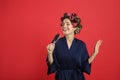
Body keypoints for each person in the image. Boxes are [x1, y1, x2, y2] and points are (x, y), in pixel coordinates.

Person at [46, 13, 102, 80]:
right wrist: (50, 53)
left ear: (75, 27)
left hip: (77, 77)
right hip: (61, 78)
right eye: (62, 24)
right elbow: (53, 66)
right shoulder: (57, 44)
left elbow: (84, 65)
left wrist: (95, 53)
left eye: (67, 24)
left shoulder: (81, 45)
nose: (64, 26)